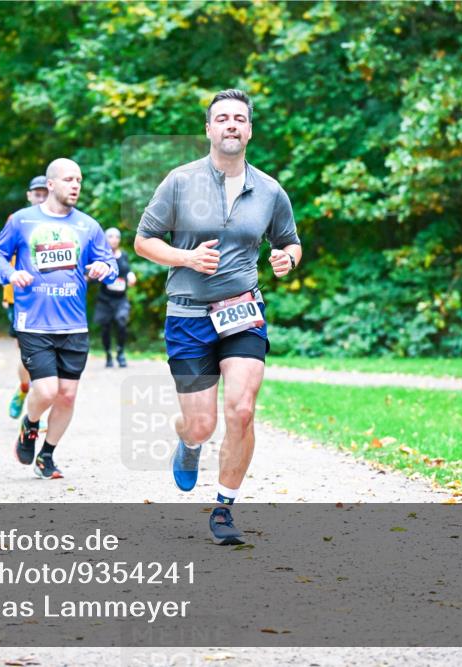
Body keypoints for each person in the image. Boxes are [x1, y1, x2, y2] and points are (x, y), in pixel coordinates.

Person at [134, 89, 301, 545]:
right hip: (187, 315)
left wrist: (287, 259)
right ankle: (189, 444)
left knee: (242, 409)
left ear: (249, 130)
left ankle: (224, 507)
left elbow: (289, 240)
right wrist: (186, 259)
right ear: (208, 129)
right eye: (222, 118)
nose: (231, 124)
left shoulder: (269, 190)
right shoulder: (180, 181)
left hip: (243, 310)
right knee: (202, 424)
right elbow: (143, 240)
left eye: (239, 119)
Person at [0, 159, 118, 480]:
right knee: (46, 391)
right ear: (51, 184)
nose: (76, 185)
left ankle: (47, 455)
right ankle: (30, 425)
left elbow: (109, 262)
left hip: (74, 325)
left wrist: (104, 268)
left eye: (80, 180)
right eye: (70, 179)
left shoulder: (88, 226)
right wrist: (11, 273)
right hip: (34, 322)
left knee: (68, 395)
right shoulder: (21, 221)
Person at [6, 175, 49, 419]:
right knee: (26, 351)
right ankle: (24, 390)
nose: (41, 197)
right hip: (20, 297)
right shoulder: (17, 220)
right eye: (37, 193)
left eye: (45, 193)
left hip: (50, 298)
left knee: (47, 354)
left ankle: (37, 408)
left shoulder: (60, 221)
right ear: (29, 195)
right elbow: (3, 257)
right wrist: (8, 291)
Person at [94, 227, 137, 368]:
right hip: (105, 299)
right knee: (105, 328)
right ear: (105, 239)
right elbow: (92, 274)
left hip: (120, 299)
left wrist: (131, 276)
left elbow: (127, 271)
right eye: (111, 236)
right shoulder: (101, 256)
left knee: (121, 322)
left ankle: (120, 352)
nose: (114, 239)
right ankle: (107, 354)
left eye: (117, 237)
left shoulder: (123, 255)